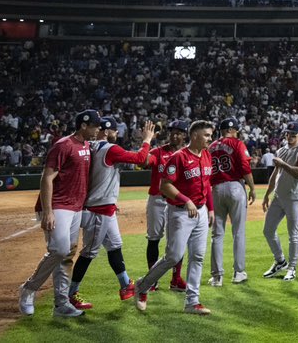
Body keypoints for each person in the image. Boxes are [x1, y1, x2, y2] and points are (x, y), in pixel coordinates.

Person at [19, 110, 102, 318]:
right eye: (95, 125)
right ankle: (29, 289)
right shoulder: (63, 145)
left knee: (67, 255)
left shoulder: (85, 145)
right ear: (84, 125)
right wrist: (47, 212)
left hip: (75, 207)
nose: (98, 129)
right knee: (59, 249)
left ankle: (61, 304)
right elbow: (47, 178)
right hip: (57, 205)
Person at [68, 117, 155, 310]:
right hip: (97, 210)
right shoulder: (110, 149)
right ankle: (70, 293)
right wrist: (147, 139)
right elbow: (141, 159)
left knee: (115, 245)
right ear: (107, 132)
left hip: (103, 207)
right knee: (88, 253)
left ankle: (125, 285)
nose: (117, 135)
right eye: (115, 131)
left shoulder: (87, 146)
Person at [135, 120, 215, 315]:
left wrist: (210, 209)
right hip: (180, 212)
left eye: (210, 135)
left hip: (201, 211)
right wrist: (185, 199)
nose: (210, 139)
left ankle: (192, 302)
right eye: (206, 135)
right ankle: (142, 286)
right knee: (173, 256)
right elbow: (164, 186)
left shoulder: (206, 155)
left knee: (197, 256)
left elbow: (208, 184)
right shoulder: (178, 158)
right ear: (195, 135)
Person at [262, 120, 298, 282]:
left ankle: (292, 268)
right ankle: (280, 261)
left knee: (293, 235)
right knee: (268, 230)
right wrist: (267, 194)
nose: (290, 136)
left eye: (293, 134)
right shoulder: (282, 150)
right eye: (288, 134)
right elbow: (275, 174)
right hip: (279, 196)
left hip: (295, 198)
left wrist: (283, 164)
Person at [208, 117, 256, 287]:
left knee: (217, 235)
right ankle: (238, 272)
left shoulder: (211, 146)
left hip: (215, 189)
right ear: (234, 130)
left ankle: (217, 276)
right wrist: (252, 187)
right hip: (235, 187)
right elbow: (245, 167)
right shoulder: (237, 144)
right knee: (238, 233)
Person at [145, 120, 189, 292]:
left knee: (177, 240)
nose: (175, 135)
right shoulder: (158, 152)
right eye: (172, 132)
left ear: (185, 135)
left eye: (178, 133)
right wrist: (148, 141)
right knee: (154, 239)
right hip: (157, 199)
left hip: (177, 201)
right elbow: (142, 162)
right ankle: (152, 279)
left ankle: (176, 279)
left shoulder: (187, 154)